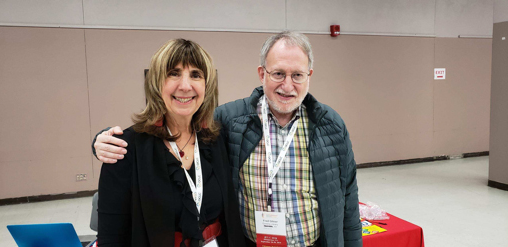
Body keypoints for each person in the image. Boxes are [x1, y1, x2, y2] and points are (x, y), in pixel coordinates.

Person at [94, 31, 362, 247]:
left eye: (297, 75)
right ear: (262, 74)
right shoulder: (231, 122)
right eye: (278, 73)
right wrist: (100, 141)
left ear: (309, 77)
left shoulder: (331, 126)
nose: (287, 85)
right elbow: (112, 233)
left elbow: (348, 200)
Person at [96, 38, 245, 247]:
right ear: (157, 82)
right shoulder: (125, 149)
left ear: (206, 85)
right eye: (173, 73)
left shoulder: (216, 139)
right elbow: (111, 238)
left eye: (196, 75)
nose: (185, 86)